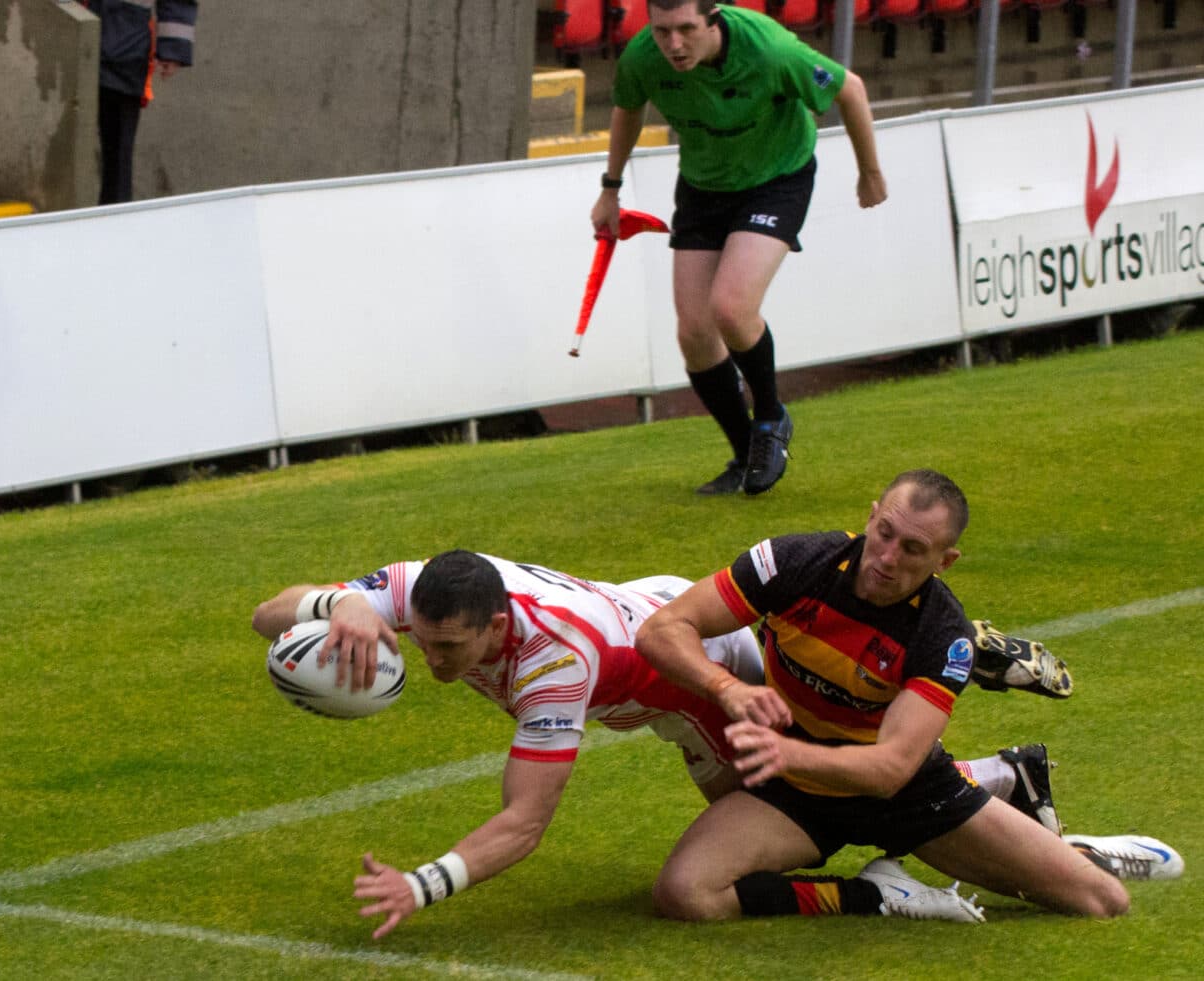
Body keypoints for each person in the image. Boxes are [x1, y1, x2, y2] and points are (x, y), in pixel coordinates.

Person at [251, 550, 1087, 935]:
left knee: (785, 816)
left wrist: (422, 885)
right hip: (643, 626)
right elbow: (266, 615)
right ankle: (1003, 771)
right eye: (420, 641)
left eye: (451, 652)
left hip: (695, 677)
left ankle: (890, 875)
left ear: (497, 627)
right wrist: (338, 604)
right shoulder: (425, 585)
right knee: (811, 790)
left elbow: (524, 823)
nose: (430, 664)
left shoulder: (554, 666)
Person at [633, 469, 1182, 923]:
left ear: (945, 562)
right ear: (871, 517)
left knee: (1101, 902)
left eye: (914, 549)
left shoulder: (944, 635)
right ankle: (877, 896)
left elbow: (890, 771)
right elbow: (662, 629)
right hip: (795, 795)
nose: (888, 558)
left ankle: (1078, 854)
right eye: (885, 533)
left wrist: (788, 753)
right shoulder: (793, 563)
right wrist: (725, 688)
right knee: (686, 894)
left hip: (907, 797)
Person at [591, 0, 887, 496]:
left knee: (730, 307)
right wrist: (610, 188)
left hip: (776, 179)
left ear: (714, 19)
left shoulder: (768, 50)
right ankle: (745, 451)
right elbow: (628, 107)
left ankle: (772, 418)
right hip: (705, 185)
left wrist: (869, 172)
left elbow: (850, 90)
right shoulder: (643, 58)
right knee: (694, 333)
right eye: (663, 31)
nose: (674, 45)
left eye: (687, 29)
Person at [82, 0, 199, 205]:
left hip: (126, 50)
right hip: (76, 33)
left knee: (118, 159)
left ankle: (114, 225)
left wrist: (173, 49)